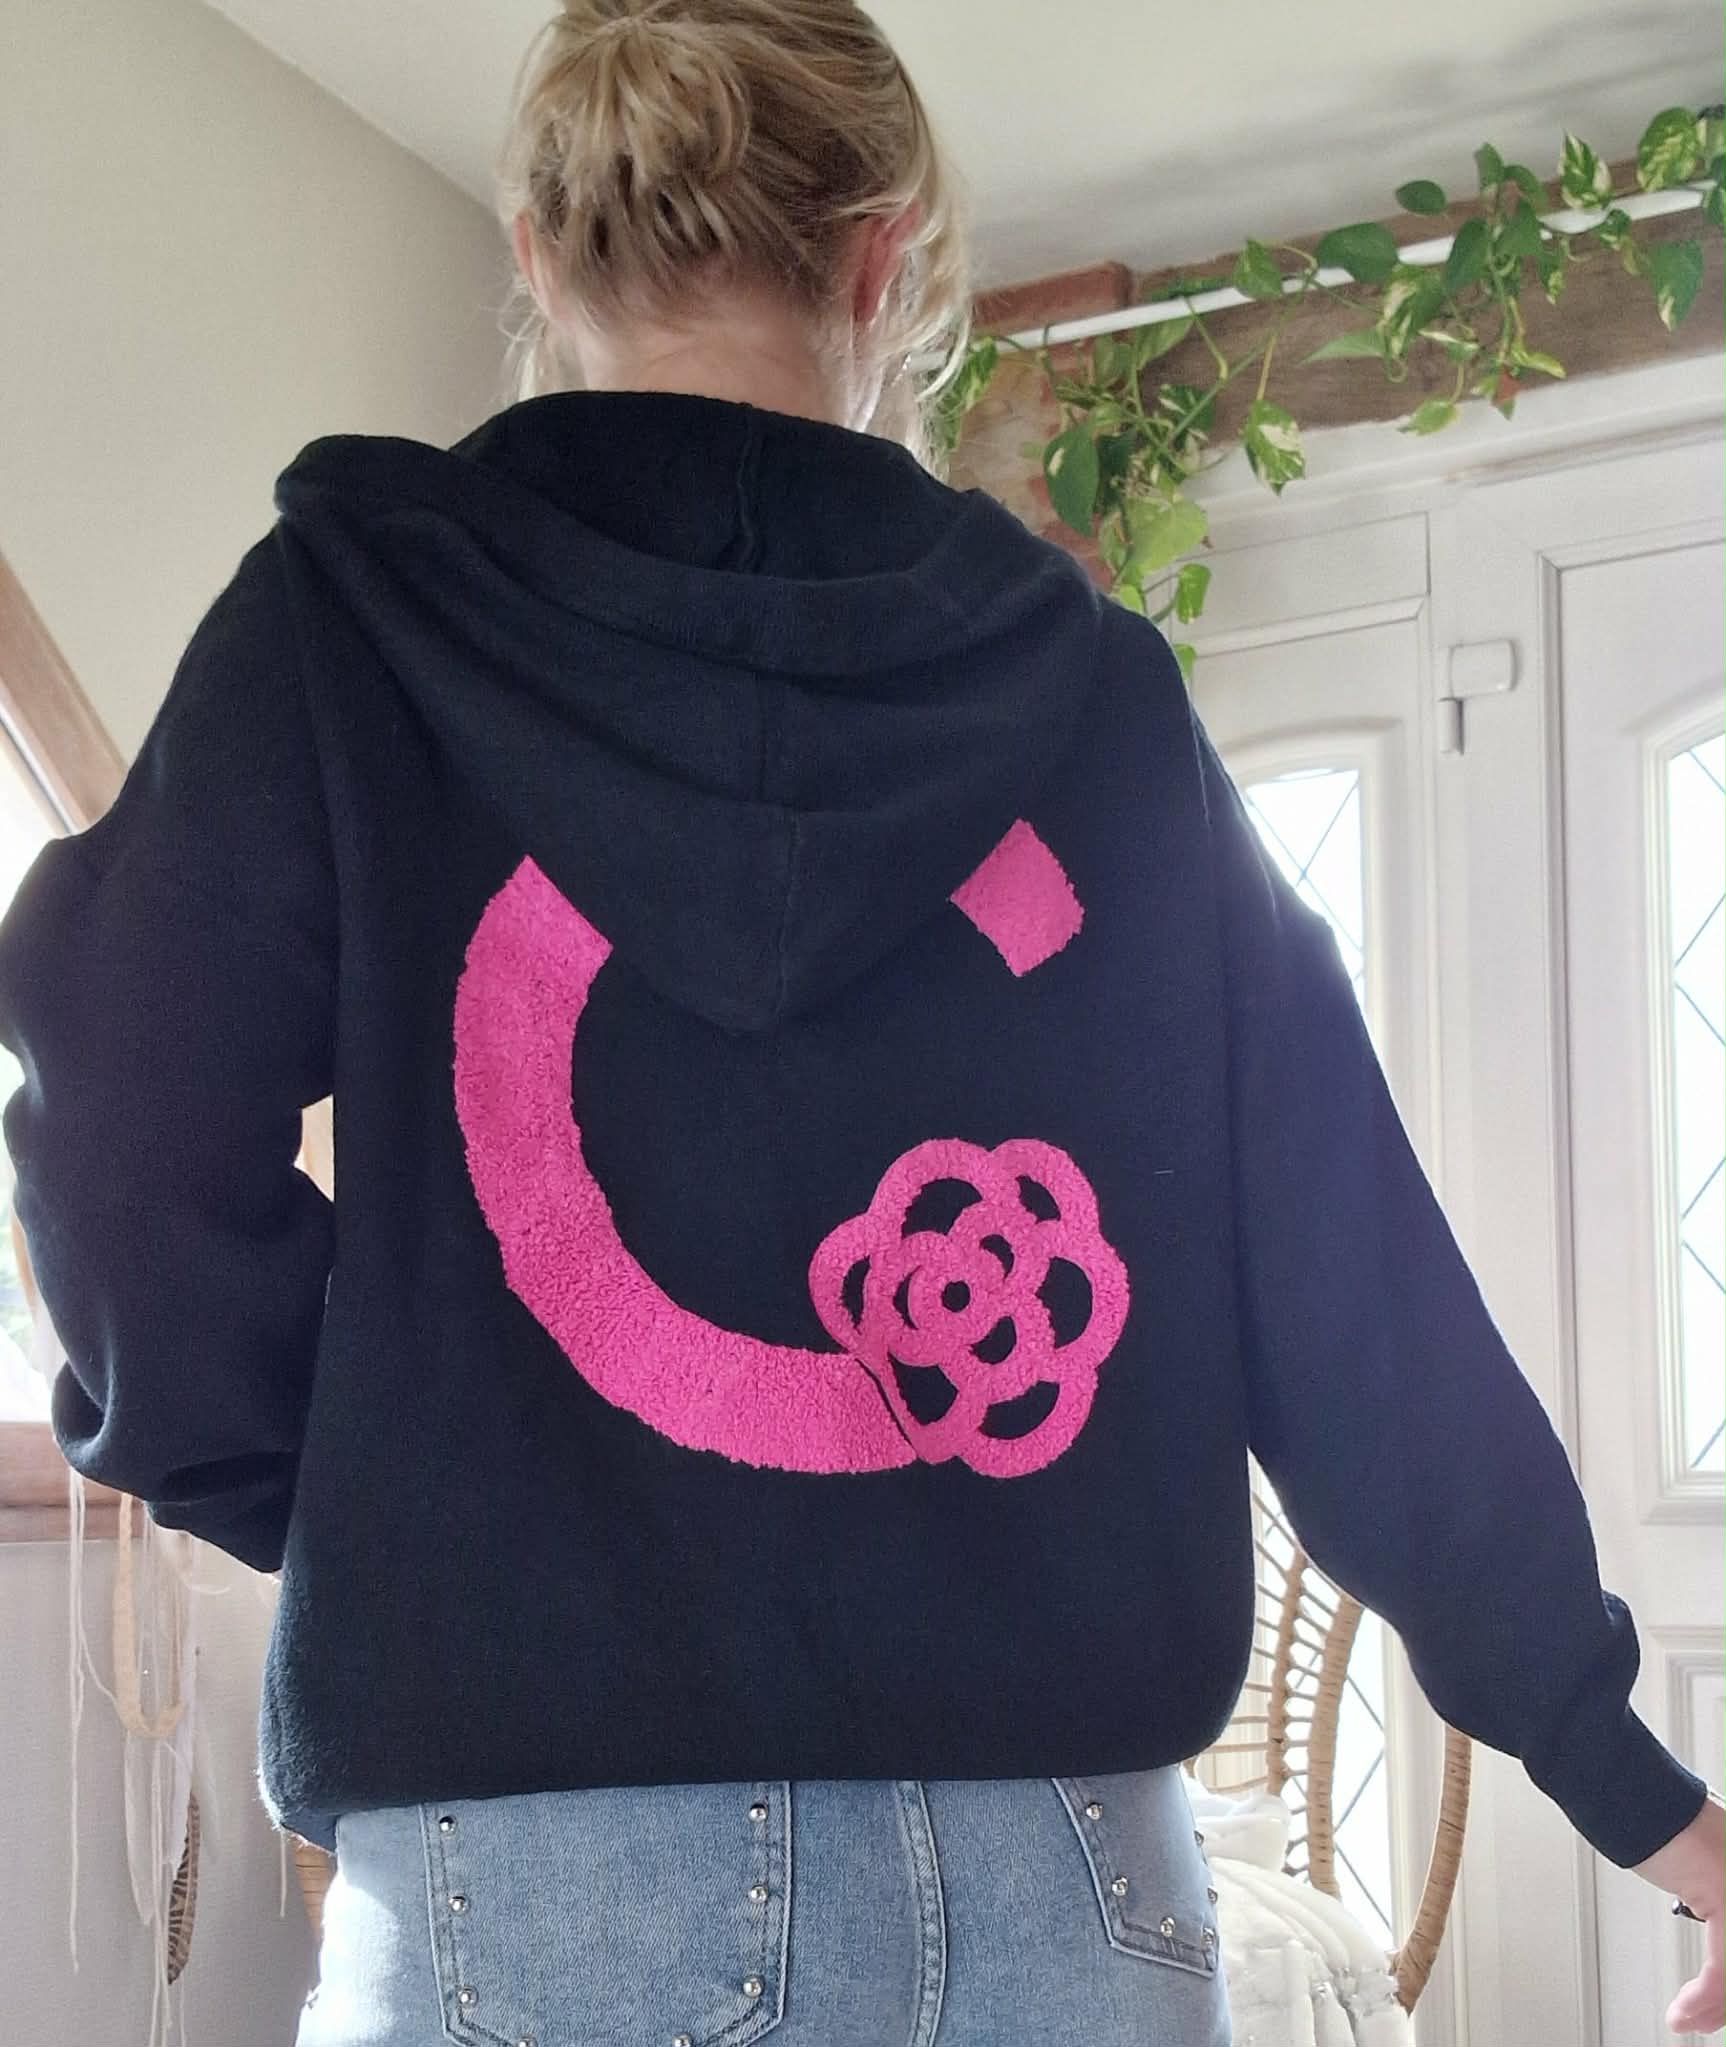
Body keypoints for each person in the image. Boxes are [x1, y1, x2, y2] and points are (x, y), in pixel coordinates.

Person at [1, 1, 1720, 2040]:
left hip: (521, 1888)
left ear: (537, 251)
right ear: (885, 261)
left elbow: (119, 1125)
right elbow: (1345, 1284)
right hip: (1056, 1889)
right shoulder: (1094, 704)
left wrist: (352, 1492)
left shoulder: (343, 630)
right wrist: (1640, 1792)